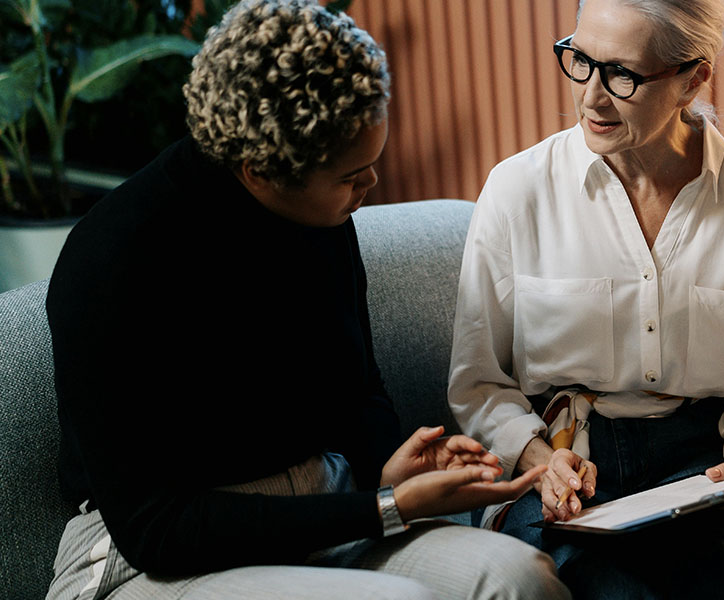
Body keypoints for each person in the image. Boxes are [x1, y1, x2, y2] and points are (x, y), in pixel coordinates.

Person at [44, 1, 570, 598]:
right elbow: (155, 530)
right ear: (259, 171)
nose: (369, 187)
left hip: (325, 510)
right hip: (160, 558)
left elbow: (356, 389)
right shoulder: (114, 261)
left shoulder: (321, 216)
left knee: (520, 578)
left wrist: (387, 469)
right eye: (351, 176)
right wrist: (383, 508)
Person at [448, 0, 724, 597]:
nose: (592, 96)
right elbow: (478, 380)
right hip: (564, 451)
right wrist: (540, 460)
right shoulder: (518, 190)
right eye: (580, 60)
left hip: (702, 458)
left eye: (622, 75)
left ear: (692, 79)